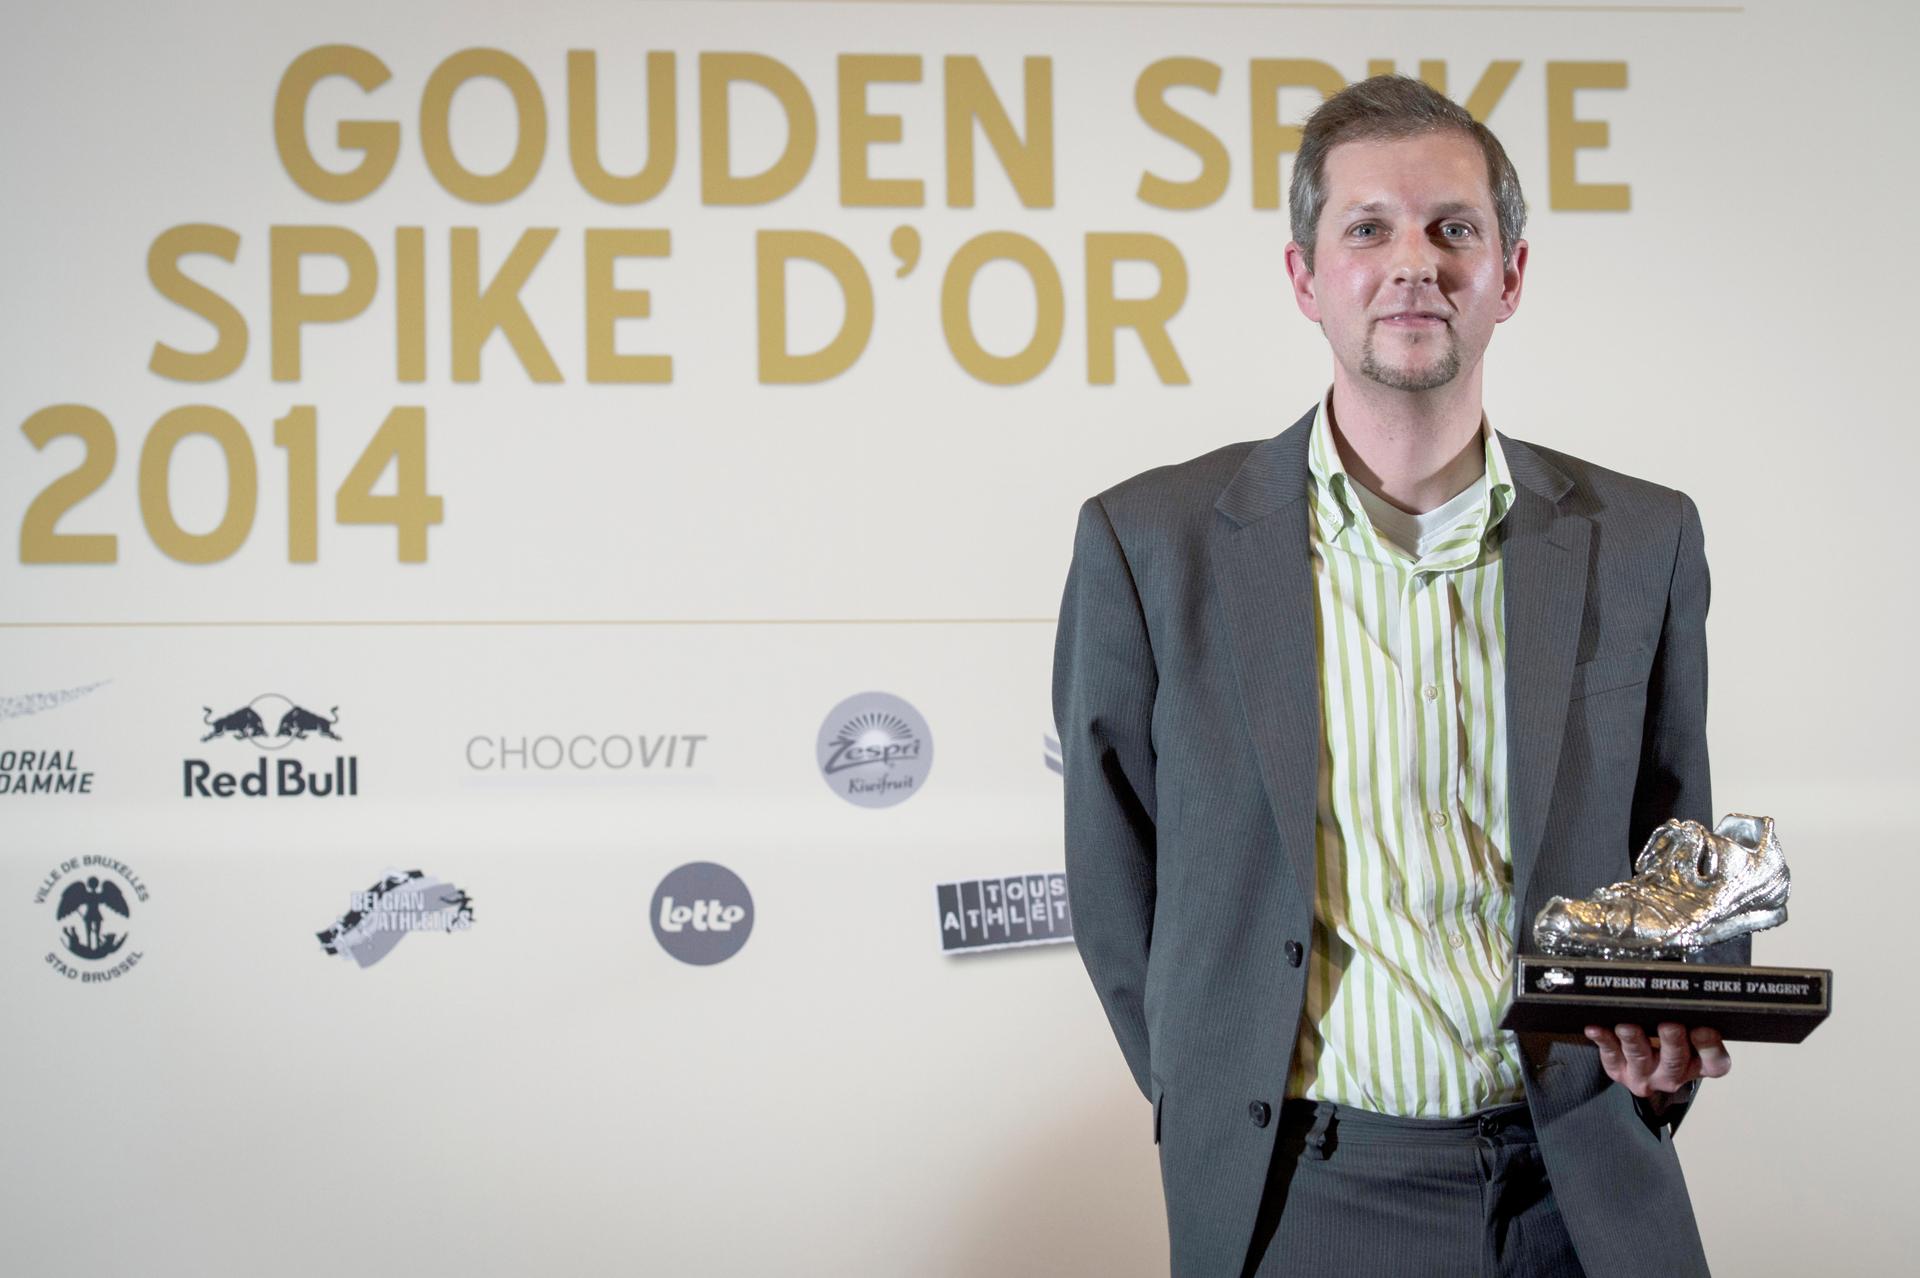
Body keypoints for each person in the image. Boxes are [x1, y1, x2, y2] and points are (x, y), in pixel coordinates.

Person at [1052, 75, 1737, 1277]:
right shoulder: (1150, 544)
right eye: (1367, 228)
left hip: (1584, 1183)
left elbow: (1673, 846)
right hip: (1303, 1199)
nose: (1413, 261)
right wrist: (1211, 1085)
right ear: (1305, 278)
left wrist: (1681, 1015)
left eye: (1452, 227)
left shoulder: (1643, 538)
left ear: (1508, 276)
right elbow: (1117, 883)